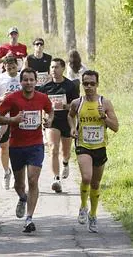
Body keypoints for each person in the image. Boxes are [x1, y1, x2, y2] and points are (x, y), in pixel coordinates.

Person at [0, 68, 54, 233]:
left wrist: (49, 121)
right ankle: (22, 198)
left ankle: (29, 219)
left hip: (35, 145)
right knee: (19, 184)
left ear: (36, 81)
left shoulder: (42, 98)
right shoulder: (12, 98)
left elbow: (50, 111)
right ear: (21, 82)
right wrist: (13, 119)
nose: (28, 83)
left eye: (31, 80)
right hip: (16, 146)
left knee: (33, 180)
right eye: (25, 80)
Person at [67, 70, 119, 233]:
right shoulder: (77, 102)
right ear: (82, 85)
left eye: (92, 83)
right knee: (86, 177)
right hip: (83, 145)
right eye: (86, 83)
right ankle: (83, 206)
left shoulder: (105, 103)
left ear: (97, 84)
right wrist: (72, 128)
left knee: (96, 183)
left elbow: (116, 127)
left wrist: (104, 118)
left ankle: (93, 214)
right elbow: (71, 115)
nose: (89, 86)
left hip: (100, 147)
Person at [38, 58, 79, 193]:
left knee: (65, 152)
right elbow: (42, 108)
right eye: (52, 67)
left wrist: (64, 105)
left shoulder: (70, 86)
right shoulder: (46, 87)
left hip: (67, 120)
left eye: (56, 67)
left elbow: (76, 105)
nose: (53, 70)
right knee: (53, 148)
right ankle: (56, 179)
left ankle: (65, 163)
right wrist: (44, 119)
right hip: (52, 122)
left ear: (62, 69)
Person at [0, 56, 21, 190]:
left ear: (17, 65)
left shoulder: (23, 77)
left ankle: (18, 174)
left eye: (14, 68)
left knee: (19, 147)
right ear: (4, 67)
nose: (12, 71)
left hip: (20, 116)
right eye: (8, 68)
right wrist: (2, 98)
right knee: (4, 147)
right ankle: (7, 172)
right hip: (4, 117)